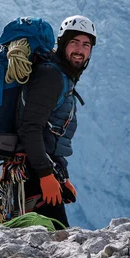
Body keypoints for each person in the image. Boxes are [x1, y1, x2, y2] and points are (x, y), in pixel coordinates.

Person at [15, 15, 96, 228]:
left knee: (48, 237)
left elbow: (51, 134)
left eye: (86, 45)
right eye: (74, 42)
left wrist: (61, 176)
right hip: (32, 173)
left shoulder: (63, 76)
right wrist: (45, 175)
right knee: (56, 237)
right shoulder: (51, 75)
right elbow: (30, 128)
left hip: (39, 169)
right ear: (62, 44)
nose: (80, 50)